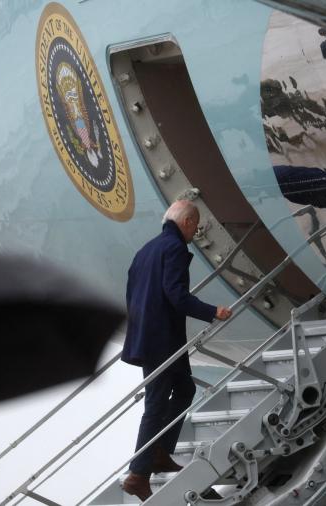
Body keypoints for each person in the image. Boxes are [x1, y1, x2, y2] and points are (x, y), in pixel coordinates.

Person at [121, 200, 232, 501]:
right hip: (163, 340)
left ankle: (159, 452)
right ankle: (138, 474)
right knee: (156, 403)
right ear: (186, 222)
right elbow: (176, 295)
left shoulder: (145, 251)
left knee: (185, 389)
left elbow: (132, 294)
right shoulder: (175, 249)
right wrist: (213, 311)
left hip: (149, 337)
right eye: (195, 225)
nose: (196, 231)